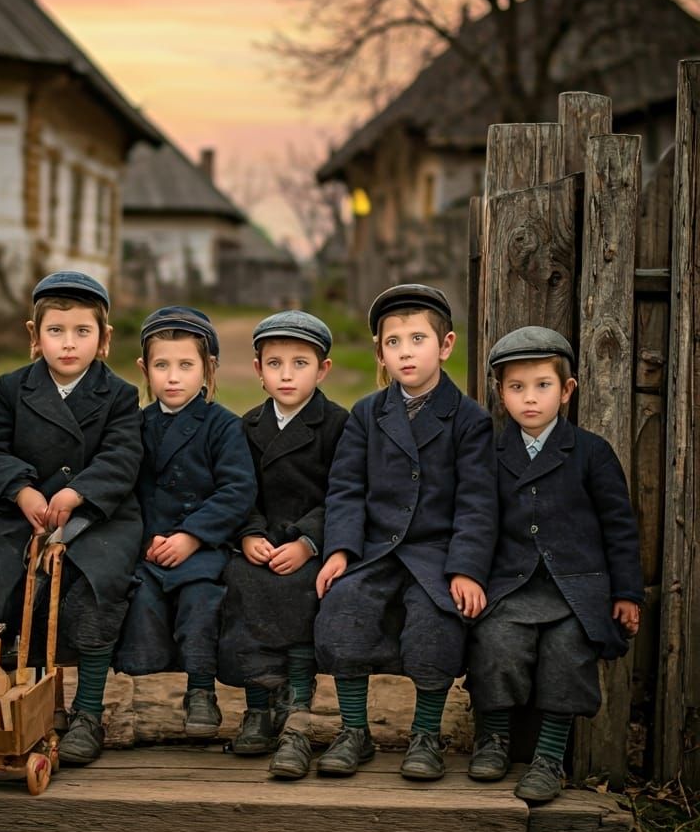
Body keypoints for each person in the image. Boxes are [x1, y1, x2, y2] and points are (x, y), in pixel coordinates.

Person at [0, 271, 144, 765]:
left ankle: (87, 713)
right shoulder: (12, 388)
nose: (69, 343)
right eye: (56, 330)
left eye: (83, 331)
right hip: (17, 513)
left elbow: (123, 456)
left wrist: (80, 491)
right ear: (34, 336)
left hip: (98, 516)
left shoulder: (118, 395)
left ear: (104, 340)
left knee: (97, 584)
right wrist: (20, 488)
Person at [314, 284, 497, 778]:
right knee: (344, 606)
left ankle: (425, 735)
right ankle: (354, 730)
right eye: (393, 343)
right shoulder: (368, 414)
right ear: (380, 353)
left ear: (446, 345)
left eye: (418, 339)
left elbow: (477, 503)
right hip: (375, 550)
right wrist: (340, 551)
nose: (405, 352)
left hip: (436, 553)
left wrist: (466, 569)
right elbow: (346, 489)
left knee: (436, 621)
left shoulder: (469, 420)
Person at [467, 326, 643, 802]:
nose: (529, 399)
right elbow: (475, 519)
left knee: (569, 650)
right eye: (516, 388)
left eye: (542, 386)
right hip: (510, 586)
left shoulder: (590, 452)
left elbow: (619, 528)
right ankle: (494, 739)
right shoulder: (489, 453)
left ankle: (548, 757)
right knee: (496, 641)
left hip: (574, 590)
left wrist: (627, 592)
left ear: (566, 390)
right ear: (500, 393)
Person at [114, 307, 257, 738]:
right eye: (161, 365)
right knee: (139, 598)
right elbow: (125, 488)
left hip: (202, 548)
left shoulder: (223, 426)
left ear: (208, 369)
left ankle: (200, 690)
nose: (173, 377)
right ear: (144, 368)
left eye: (185, 365)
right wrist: (143, 541)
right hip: (148, 546)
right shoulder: (135, 426)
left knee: (201, 602)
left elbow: (237, 490)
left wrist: (192, 536)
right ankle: (114, 691)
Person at [217, 311, 349, 776]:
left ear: (323, 370)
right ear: (258, 370)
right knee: (240, 580)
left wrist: (310, 542)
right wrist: (249, 532)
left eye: (300, 363)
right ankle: (257, 705)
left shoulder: (337, 425)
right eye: (274, 364)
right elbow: (237, 488)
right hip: (260, 541)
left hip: (308, 545)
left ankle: (297, 705)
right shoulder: (246, 426)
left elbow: (343, 492)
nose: (286, 375)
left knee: (303, 588)